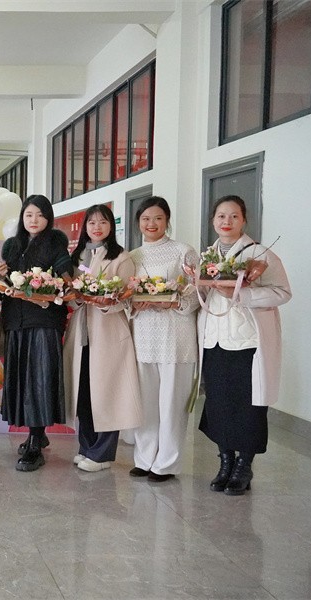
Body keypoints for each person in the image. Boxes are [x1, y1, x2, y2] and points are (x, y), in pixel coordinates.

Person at [195, 195, 291, 496]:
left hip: (247, 342)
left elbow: (282, 292)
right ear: (213, 220)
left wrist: (242, 294)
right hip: (214, 339)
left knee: (249, 407)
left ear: (244, 220)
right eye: (221, 216)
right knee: (218, 404)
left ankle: (243, 466)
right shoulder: (207, 256)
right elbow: (205, 294)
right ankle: (225, 462)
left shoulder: (260, 254)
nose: (227, 221)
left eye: (234, 216)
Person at [63, 204, 142, 472]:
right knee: (84, 393)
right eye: (92, 223)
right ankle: (86, 447)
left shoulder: (121, 258)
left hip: (108, 332)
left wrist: (105, 302)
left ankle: (103, 454)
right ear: (85, 227)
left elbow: (126, 298)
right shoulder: (77, 257)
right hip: (81, 333)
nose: (97, 227)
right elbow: (71, 296)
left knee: (107, 394)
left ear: (111, 226)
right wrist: (74, 299)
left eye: (103, 222)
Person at [0, 195, 73, 472]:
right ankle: (36, 435)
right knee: (21, 380)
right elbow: (6, 287)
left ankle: (34, 443)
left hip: (44, 321)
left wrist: (59, 283)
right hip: (16, 322)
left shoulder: (56, 243)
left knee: (39, 380)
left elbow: (66, 279)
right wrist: (0, 277)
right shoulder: (12, 245)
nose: (34, 220)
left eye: (40, 215)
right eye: (29, 215)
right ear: (22, 218)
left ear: (48, 218)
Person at [128, 197, 200, 482]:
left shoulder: (184, 251)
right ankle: (144, 458)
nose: (152, 224)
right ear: (138, 222)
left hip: (176, 337)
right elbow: (125, 296)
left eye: (158, 218)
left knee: (172, 404)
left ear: (167, 220)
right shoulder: (132, 256)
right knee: (145, 402)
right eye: (146, 218)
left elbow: (198, 291)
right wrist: (134, 304)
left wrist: (175, 302)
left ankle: (167, 463)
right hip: (144, 335)